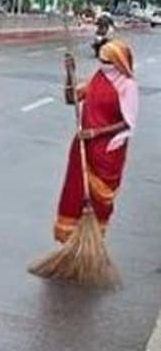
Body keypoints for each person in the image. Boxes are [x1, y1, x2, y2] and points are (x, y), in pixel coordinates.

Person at [54, 39, 138, 242]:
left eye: (107, 62)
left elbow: (127, 122)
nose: (103, 65)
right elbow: (71, 99)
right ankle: (72, 243)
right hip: (84, 146)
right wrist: (70, 73)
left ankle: (92, 242)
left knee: (99, 201)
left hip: (107, 150)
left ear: (119, 63)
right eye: (101, 60)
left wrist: (96, 133)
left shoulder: (128, 86)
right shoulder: (96, 79)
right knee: (74, 193)